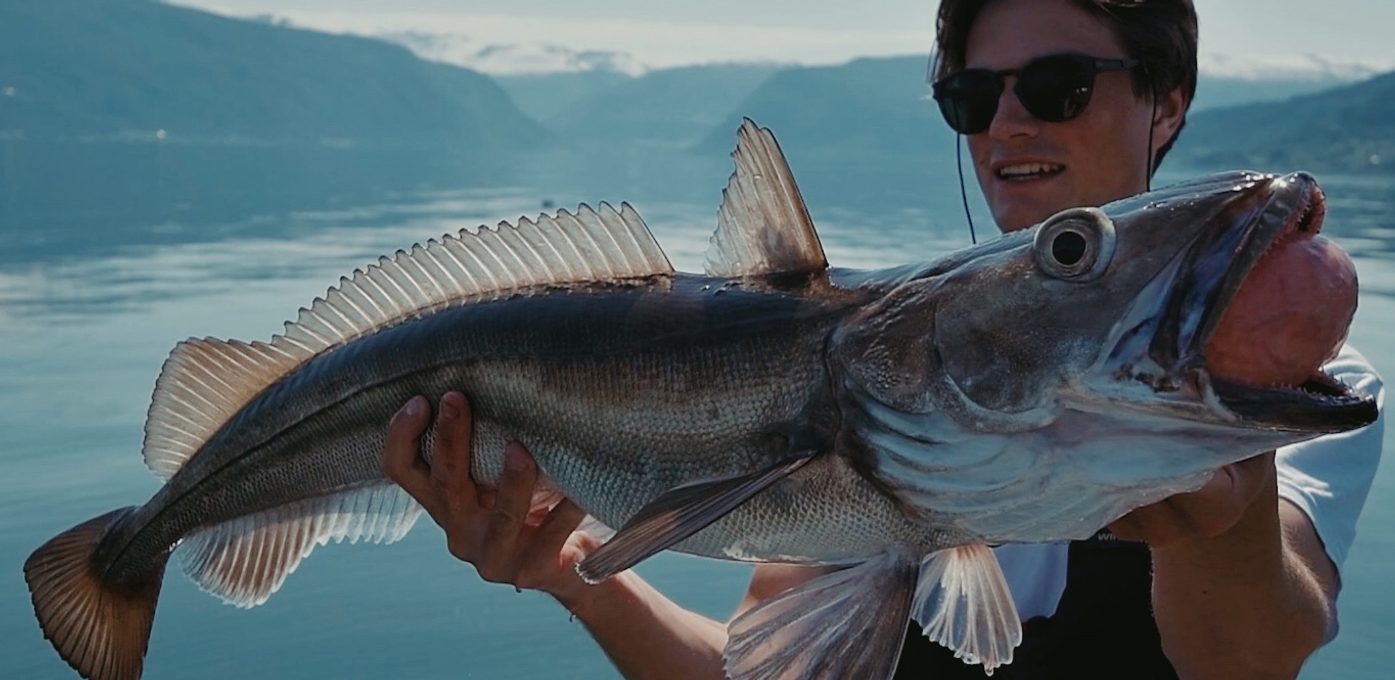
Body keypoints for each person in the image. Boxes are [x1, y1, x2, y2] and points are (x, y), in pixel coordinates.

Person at [382, 1, 1387, 677]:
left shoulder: (1303, 385)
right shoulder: (890, 367)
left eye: (1059, 86)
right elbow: (762, 666)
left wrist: (1233, 481)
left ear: (1167, 102)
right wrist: (574, 574)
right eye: (972, 98)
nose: (1007, 126)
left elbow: (1251, 653)